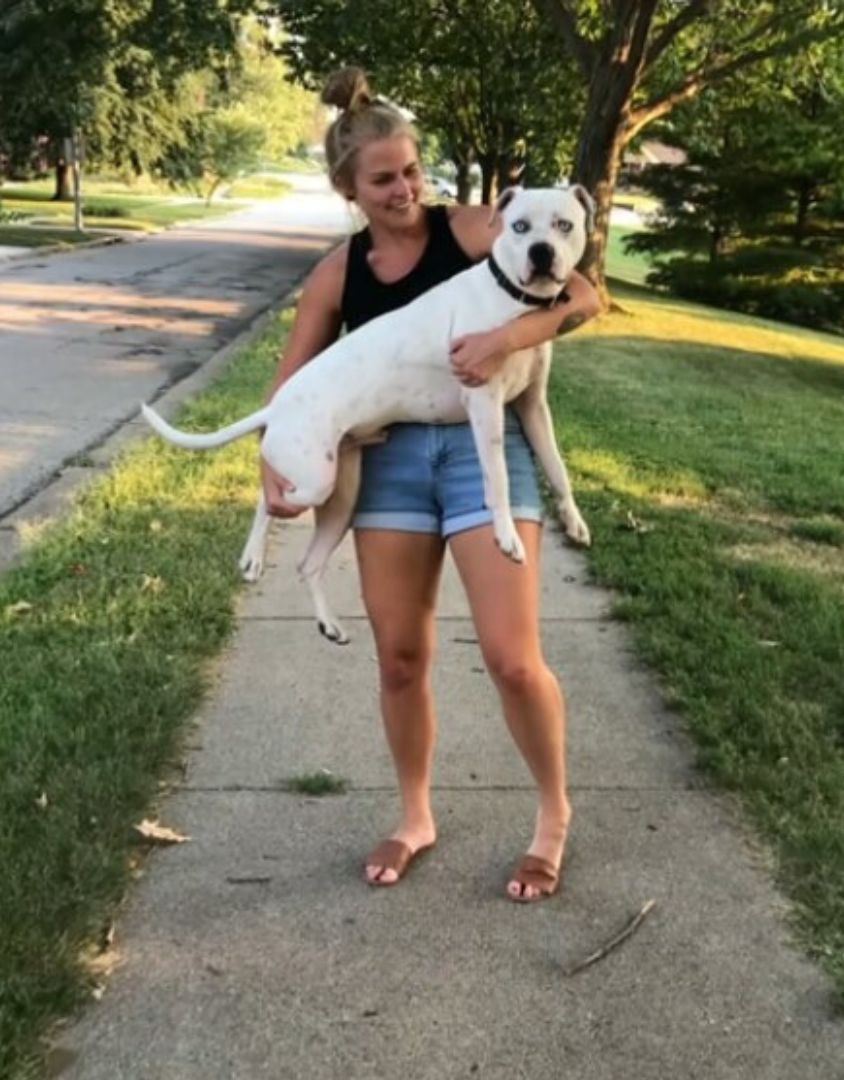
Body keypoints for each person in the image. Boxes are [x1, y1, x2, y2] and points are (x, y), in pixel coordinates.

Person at [259, 67, 602, 901]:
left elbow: (585, 294)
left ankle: (552, 817)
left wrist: (511, 335)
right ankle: (416, 816)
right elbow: (292, 386)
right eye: (384, 179)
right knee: (402, 659)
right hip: (394, 466)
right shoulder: (340, 274)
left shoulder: (477, 227)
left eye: (413, 171)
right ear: (350, 190)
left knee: (513, 659)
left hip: (492, 453)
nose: (406, 189)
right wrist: (273, 464)